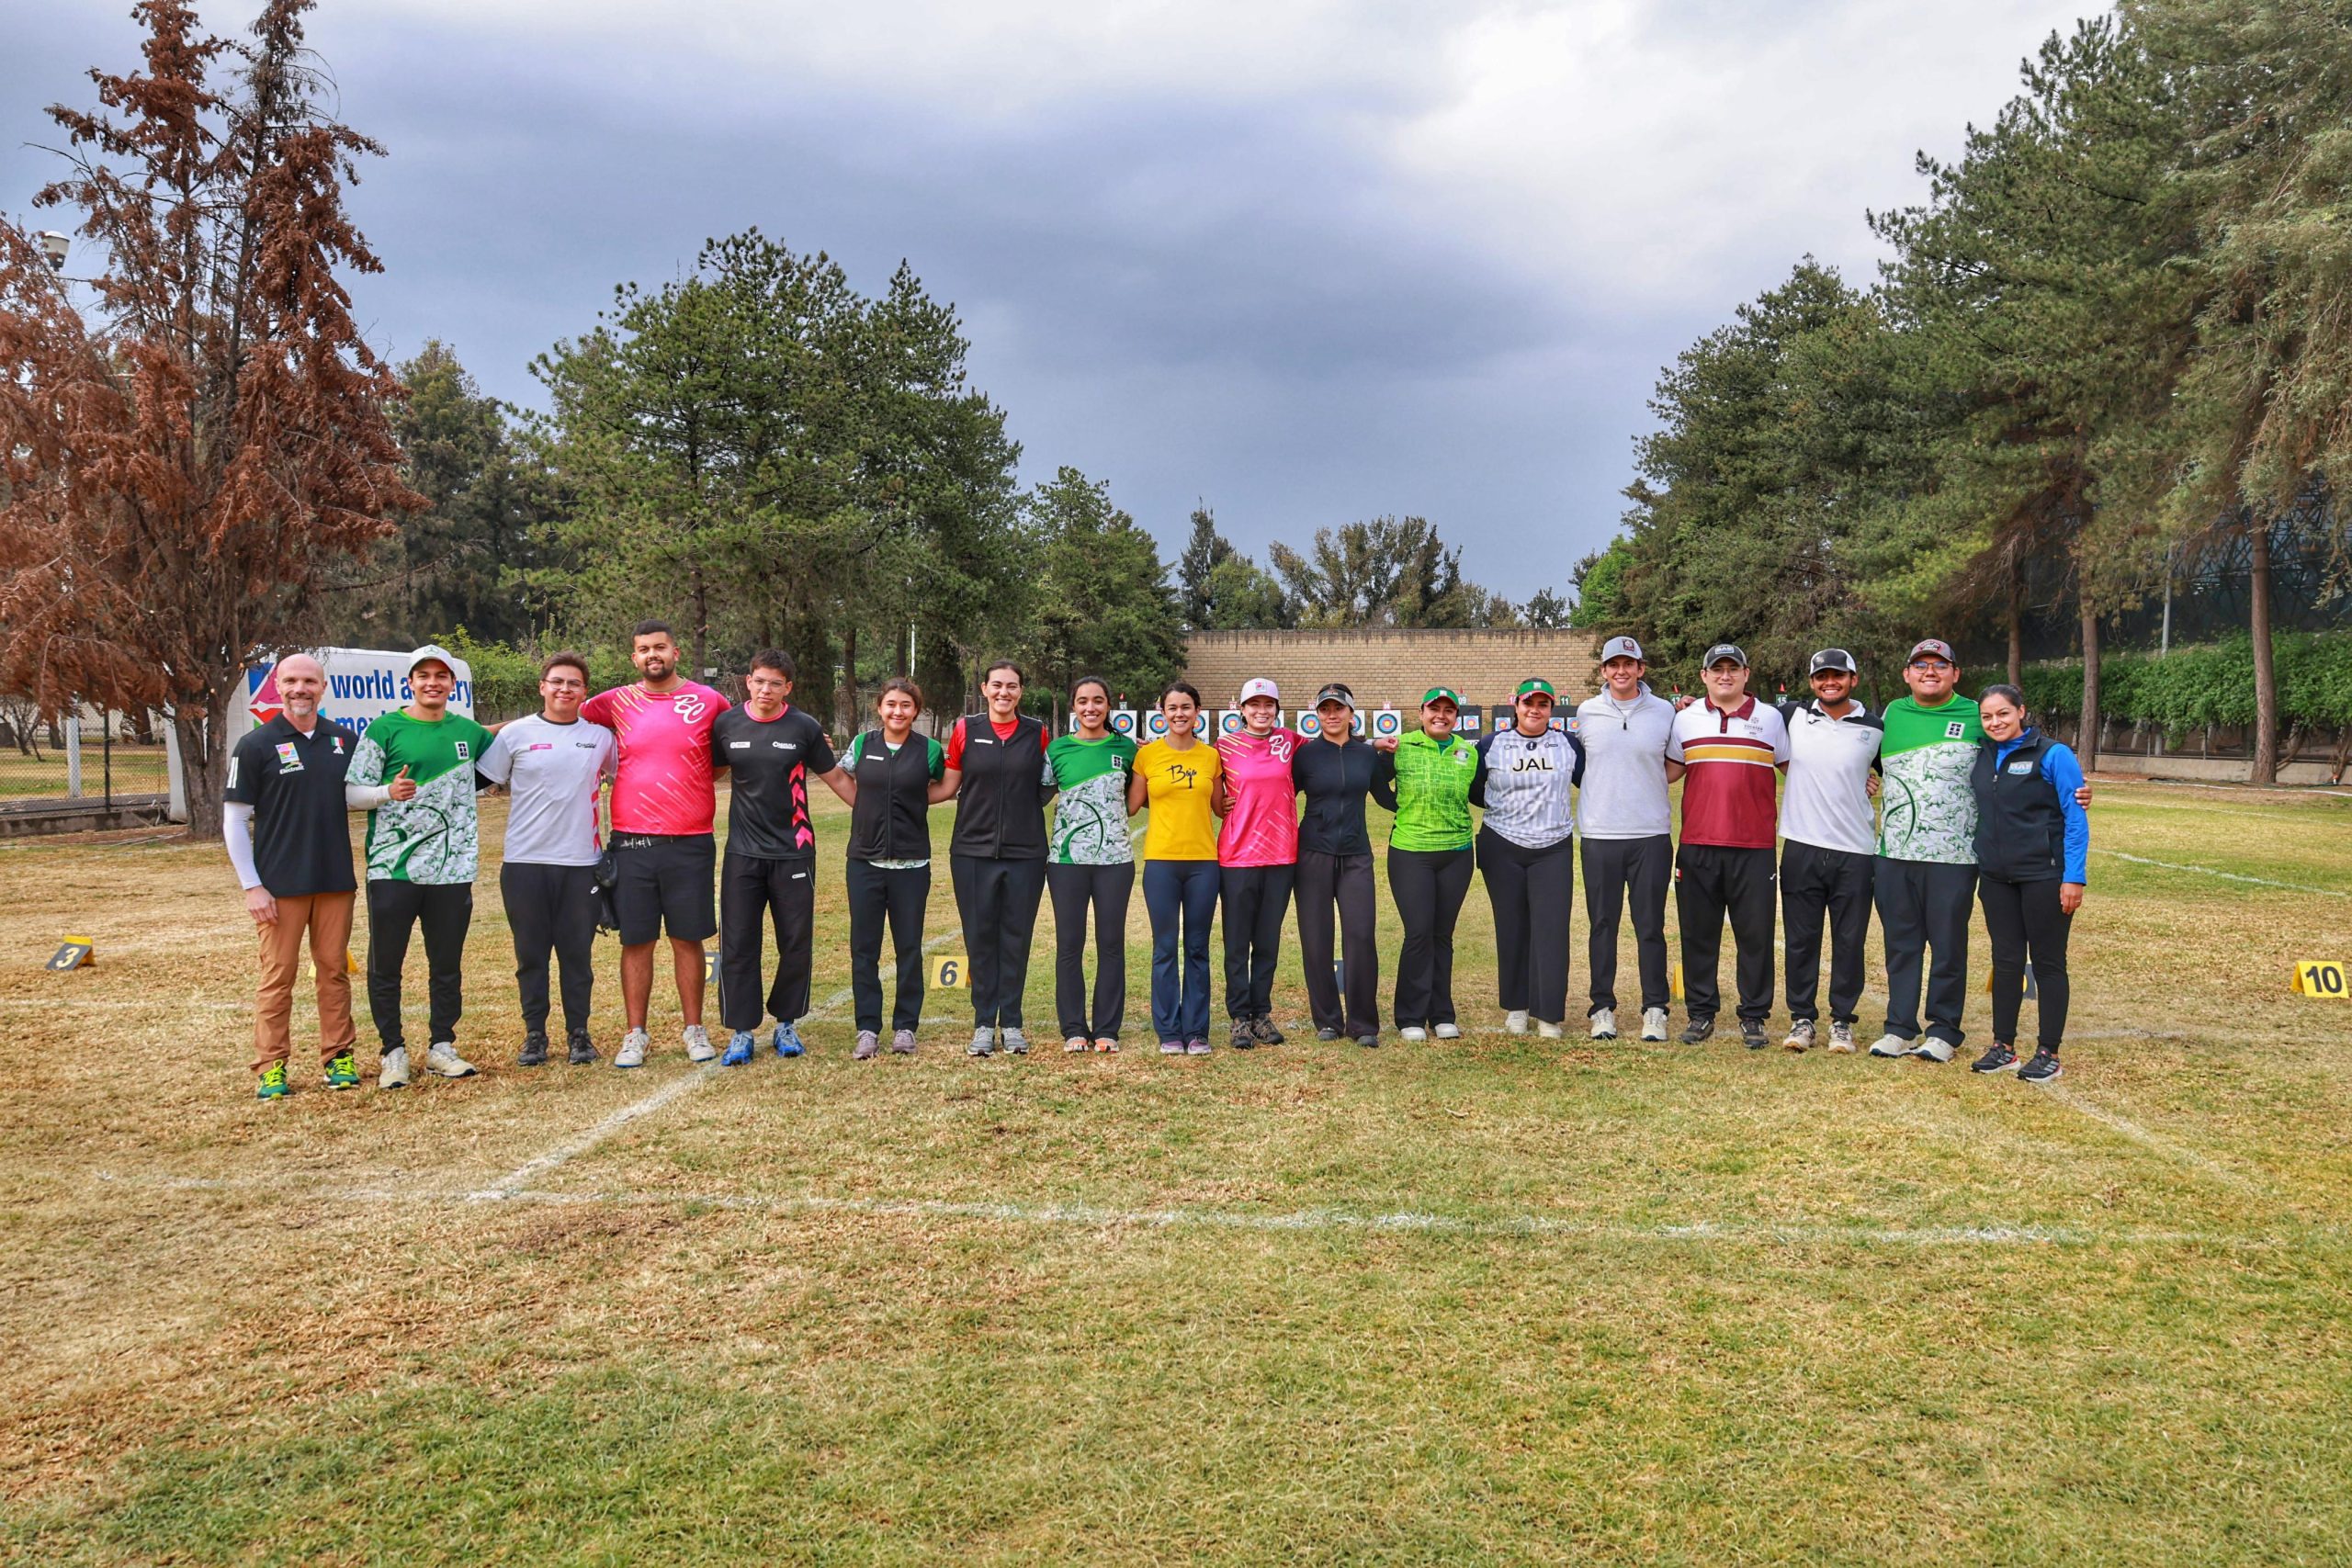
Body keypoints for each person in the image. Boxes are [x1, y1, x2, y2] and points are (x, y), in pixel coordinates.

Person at [223, 653, 387, 1100]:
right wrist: (252, 886)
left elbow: (359, 796)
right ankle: (271, 1066)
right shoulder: (255, 745)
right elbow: (234, 820)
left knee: (333, 971)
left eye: (310, 681)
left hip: (335, 880)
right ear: (278, 686)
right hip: (279, 886)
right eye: (292, 681)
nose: (301, 689)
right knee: (278, 976)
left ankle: (338, 1057)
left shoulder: (344, 740)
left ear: (323, 687)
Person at [580, 621, 733, 1068]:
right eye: (644, 649)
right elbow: (562, 715)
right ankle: (635, 1034)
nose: (653, 655)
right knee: (637, 940)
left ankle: (694, 1029)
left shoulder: (709, 700)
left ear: (675, 652)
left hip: (691, 841)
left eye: (660, 647)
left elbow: (723, 758)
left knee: (688, 938)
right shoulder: (613, 701)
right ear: (634, 657)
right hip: (632, 842)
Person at [345, 644, 494, 1088]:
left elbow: (506, 749)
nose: (433, 683)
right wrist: (386, 793)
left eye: (441, 675)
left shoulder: (469, 732)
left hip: (452, 868)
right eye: (424, 675)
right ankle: (393, 1052)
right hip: (394, 868)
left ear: (452, 683)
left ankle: (442, 1046)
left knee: (446, 963)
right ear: (409, 682)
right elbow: (352, 793)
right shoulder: (384, 729)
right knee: (386, 964)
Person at [710, 649, 850, 1066]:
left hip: (794, 851)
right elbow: (711, 772)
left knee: (795, 941)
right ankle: (741, 1031)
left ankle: (786, 1023)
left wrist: (877, 814)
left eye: (775, 683)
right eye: (759, 681)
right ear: (748, 682)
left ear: (788, 688)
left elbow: (836, 777)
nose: (765, 689)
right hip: (742, 852)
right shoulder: (727, 724)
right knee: (738, 942)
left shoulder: (804, 727)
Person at [476, 650, 616, 1067]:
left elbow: (629, 772)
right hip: (525, 862)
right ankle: (534, 1035)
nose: (564, 689)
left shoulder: (600, 738)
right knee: (531, 955)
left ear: (584, 692)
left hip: (581, 864)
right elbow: (478, 780)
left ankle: (579, 1034)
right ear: (542, 687)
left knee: (577, 956)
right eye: (556, 681)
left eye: (574, 683)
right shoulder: (515, 734)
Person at [1668, 644, 1791, 1049]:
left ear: (1745, 674)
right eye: (1717, 669)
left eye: (1732, 669)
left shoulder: (1770, 718)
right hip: (1698, 843)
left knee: (1755, 936)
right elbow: (1667, 771)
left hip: (1754, 846)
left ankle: (1753, 1016)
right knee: (1698, 935)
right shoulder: (1685, 720)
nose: (1725, 675)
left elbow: (1798, 768)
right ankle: (1701, 1013)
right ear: (1703, 676)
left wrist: (1860, 778)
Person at [1867, 638, 1982, 1064]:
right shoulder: (1891, 715)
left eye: (1939, 665)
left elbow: (2020, 752)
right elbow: (1858, 759)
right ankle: (1899, 1028)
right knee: (1902, 945)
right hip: (1895, 853)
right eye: (1920, 665)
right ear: (1906, 674)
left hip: (1954, 856)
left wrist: (2068, 784)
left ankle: (1944, 1031)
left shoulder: (1978, 714)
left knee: (1948, 946)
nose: (1929, 672)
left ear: (1955, 673)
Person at [1967, 685, 2088, 1084]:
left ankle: (2049, 1052)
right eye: (1987, 716)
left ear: (2021, 711)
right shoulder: (1982, 753)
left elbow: (2075, 817)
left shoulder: (2053, 754)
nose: (1995, 722)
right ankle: (2003, 1046)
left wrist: (2074, 877)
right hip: (1996, 878)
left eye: (2003, 713)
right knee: (2006, 961)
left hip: (2044, 877)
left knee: (2049, 963)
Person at [1572, 637, 1682, 1043]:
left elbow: (1675, 764)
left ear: (1641, 669)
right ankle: (1602, 1008)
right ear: (1604, 671)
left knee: (1649, 925)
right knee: (1603, 925)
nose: (1621, 671)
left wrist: (1644, 783)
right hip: (1600, 835)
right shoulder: (1587, 711)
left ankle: (1655, 1008)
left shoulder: (1664, 711)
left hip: (1650, 835)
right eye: (1613, 664)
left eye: (1629, 664)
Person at [942, 660, 1053, 1057]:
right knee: (980, 938)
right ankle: (984, 1023)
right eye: (997, 685)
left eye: (1012, 686)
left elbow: (1045, 785)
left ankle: (1013, 1023)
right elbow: (949, 784)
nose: (1004, 692)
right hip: (972, 851)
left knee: (1016, 938)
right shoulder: (965, 729)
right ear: (984, 689)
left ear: (1021, 691)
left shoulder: (1037, 732)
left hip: (1026, 853)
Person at [1775, 649, 1882, 1054]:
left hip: (1855, 850)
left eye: (1838, 675)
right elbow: (1745, 717)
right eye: (1822, 676)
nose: (1830, 682)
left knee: (1849, 940)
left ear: (1853, 679)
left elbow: (1892, 770)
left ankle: (1842, 1021)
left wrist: (1870, 781)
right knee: (1801, 939)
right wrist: (1687, 704)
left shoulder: (1875, 726)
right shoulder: (1791, 716)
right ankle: (1802, 1018)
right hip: (1801, 845)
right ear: (1812, 681)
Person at [842, 678, 954, 1059]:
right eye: (891, 704)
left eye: (906, 705)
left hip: (911, 864)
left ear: (916, 711)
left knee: (908, 947)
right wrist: (863, 805)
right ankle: (867, 1029)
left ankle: (905, 1027)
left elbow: (946, 786)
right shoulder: (862, 744)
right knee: (864, 949)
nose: (898, 711)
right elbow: (840, 775)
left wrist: (915, 802)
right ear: (880, 708)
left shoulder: (929, 750)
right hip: (865, 862)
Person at [1474, 678, 1583, 1039]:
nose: (1534, 710)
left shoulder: (1568, 744)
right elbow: (1475, 790)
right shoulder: (1491, 744)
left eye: (1542, 704)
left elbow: (1588, 780)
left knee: (1551, 930)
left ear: (1551, 709)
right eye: (1528, 703)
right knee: (1512, 927)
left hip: (1552, 847)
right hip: (1502, 845)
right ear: (1515, 705)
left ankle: (1548, 1013)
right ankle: (1517, 1008)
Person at [1373, 687, 1479, 1043]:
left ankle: (1442, 1014)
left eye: (1449, 711)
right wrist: (1398, 805)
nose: (1441, 716)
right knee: (1419, 933)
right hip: (1411, 851)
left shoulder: (1467, 751)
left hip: (1457, 852)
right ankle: (1410, 1016)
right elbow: (1376, 781)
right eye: (1434, 709)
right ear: (1421, 713)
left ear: (1456, 717)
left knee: (1442, 935)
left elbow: (1477, 793)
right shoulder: (1401, 746)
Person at [1046, 676, 1138, 1052]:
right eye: (1083, 701)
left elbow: (1137, 801)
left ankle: (1106, 1030)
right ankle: (1073, 1029)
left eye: (1098, 700)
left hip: (1115, 862)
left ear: (1108, 706)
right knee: (1070, 944)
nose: (1090, 707)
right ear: (1073, 707)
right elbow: (1034, 795)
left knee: (1111, 944)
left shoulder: (1127, 748)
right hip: (1066, 862)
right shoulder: (1056, 750)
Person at [1130, 682, 1222, 1055]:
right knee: (1165, 948)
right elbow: (1132, 805)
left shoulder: (1211, 757)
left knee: (1198, 948)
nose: (1179, 714)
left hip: (1204, 864)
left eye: (1186, 707)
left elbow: (1221, 807)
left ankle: (1196, 1031)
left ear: (1197, 711)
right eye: (1172, 708)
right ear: (1162, 712)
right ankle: (1169, 1031)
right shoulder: (1147, 756)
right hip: (1161, 863)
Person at [1290, 682, 1381, 1044]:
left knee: (1360, 936)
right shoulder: (1305, 756)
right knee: (1316, 938)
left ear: (1351, 713)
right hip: (1313, 853)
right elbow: (1282, 793)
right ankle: (1327, 1020)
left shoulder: (1367, 755)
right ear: (1317, 715)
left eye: (1338, 708)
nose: (1332, 715)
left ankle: (1363, 1024)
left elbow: (1386, 795)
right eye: (1325, 709)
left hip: (1356, 855)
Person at [1215, 678, 1301, 1049]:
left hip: (1281, 855)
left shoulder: (1291, 741)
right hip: (1238, 856)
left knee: (1267, 940)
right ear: (1242, 709)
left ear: (1277, 709)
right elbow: (1208, 792)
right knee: (1237, 942)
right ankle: (1239, 1017)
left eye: (1268, 704)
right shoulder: (1223, 746)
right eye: (1254, 704)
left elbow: (1333, 748)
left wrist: (1376, 744)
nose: (1261, 711)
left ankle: (1261, 1014)